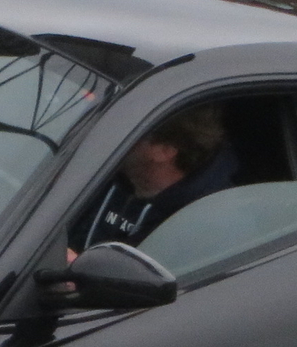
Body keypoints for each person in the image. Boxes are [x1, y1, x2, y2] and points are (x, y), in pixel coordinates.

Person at [74, 103, 240, 251]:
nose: (114, 134)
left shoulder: (207, 221)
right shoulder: (98, 172)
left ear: (165, 151)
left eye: (131, 130)